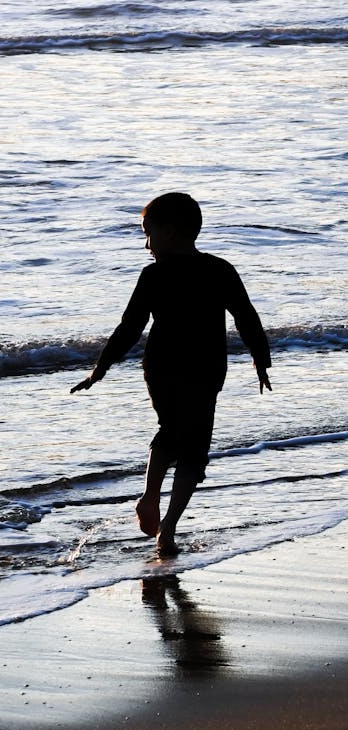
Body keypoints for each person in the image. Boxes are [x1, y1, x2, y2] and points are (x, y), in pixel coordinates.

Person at [71, 192, 271, 557]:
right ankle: (168, 529)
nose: (146, 244)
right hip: (205, 368)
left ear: (171, 232)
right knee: (194, 449)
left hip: (161, 367)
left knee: (170, 431)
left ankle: (151, 499)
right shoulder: (219, 269)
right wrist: (261, 359)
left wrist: (101, 366)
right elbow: (247, 317)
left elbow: (129, 328)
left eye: (148, 234)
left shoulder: (154, 275)